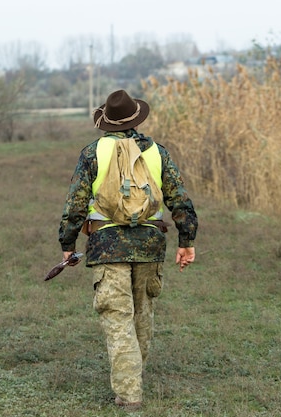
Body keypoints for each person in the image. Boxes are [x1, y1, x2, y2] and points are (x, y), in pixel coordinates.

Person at [57, 89, 198, 410]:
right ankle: (132, 378)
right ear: (136, 116)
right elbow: (181, 201)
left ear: (106, 121)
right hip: (150, 245)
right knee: (142, 317)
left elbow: (75, 204)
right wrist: (187, 242)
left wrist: (68, 245)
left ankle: (130, 394)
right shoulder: (157, 153)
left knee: (118, 318)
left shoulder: (92, 154)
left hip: (107, 248)